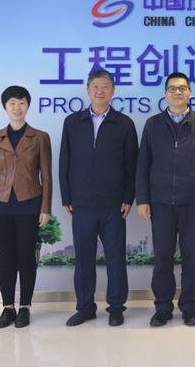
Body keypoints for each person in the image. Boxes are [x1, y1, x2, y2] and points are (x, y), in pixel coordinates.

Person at [136, 72, 195, 327]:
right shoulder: (153, 124)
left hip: (192, 201)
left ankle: (189, 307)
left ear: (190, 93)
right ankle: (163, 307)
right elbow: (143, 165)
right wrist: (143, 199)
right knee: (163, 258)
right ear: (165, 94)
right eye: (172, 88)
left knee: (192, 258)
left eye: (182, 88)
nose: (177, 92)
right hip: (160, 201)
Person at [59, 69, 138, 327]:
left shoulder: (124, 124)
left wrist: (128, 197)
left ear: (113, 91)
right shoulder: (73, 122)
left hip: (113, 205)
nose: (100, 90)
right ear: (88, 90)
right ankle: (85, 308)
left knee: (115, 259)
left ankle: (116, 307)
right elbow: (64, 162)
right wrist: (67, 196)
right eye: (95, 86)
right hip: (81, 203)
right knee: (83, 260)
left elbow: (132, 165)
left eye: (105, 86)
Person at [0, 85, 52, 328]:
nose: (17, 107)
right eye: (12, 103)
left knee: (26, 256)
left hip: (30, 204)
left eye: (22, 102)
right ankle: (8, 308)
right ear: (5, 107)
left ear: (28, 106)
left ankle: (25, 308)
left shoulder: (40, 137)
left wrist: (45, 207)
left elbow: (46, 176)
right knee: (6, 257)